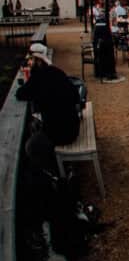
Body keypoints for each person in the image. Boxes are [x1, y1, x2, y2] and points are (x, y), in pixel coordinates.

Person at [17, 43, 81, 174]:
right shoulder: (57, 72)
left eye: (30, 60)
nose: (29, 63)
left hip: (60, 134)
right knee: (40, 127)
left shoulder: (37, 78)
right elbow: (76, 97)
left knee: (31, 147)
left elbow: (20, 94)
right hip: (73, 127)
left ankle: (57, 173)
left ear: (37, 60)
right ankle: (61, 168)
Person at [93, 11, 124, 83]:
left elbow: (95, 37)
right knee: (109, 54)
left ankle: (99, 72)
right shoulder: (105, 25)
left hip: (98, 48)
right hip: (104, 48)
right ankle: (109, 72)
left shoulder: (98, 25)